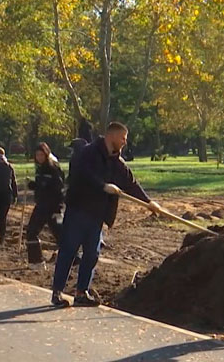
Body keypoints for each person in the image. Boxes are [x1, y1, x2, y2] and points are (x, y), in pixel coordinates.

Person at [51, 122, 161, 308]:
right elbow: (82, 174)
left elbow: (131, 183)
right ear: (111, 136)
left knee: (92, 254)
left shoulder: (117, 163)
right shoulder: (87, 153)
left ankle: (81, 292)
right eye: (123, 138)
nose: (125, 142)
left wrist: (149, 202)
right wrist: (102, 185)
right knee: (68, 251)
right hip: (78, 210)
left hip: (97, 216)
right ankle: (57, 293)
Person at [25, 142, 65, 264]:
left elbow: (58, 188)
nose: (39, 157)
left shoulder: (53, 169)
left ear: (46, 154)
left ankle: (73, 258)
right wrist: (32, 185)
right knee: (32, 232)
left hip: (51, 207)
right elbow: (41, 186)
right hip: (42, 205)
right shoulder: (40, 169)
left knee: (59, 235)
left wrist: (58, 208)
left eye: (42, 154)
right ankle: (36, 261)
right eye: (37, 155)